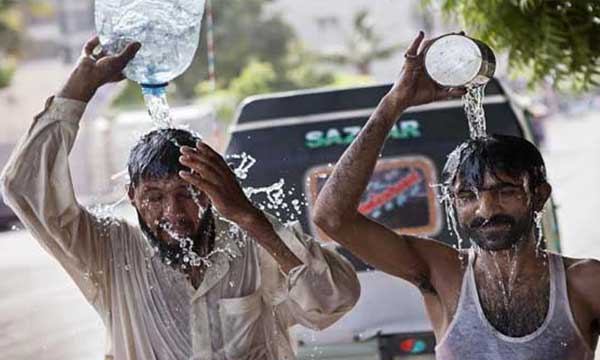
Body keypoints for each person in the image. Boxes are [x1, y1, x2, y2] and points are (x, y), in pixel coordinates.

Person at [0, 36, 360, 360]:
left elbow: (334, 300)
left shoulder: (251, 246)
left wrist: (248, 217)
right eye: (154, 197)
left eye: (187, 193)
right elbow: (25, 188)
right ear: (132, 196)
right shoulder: (110, 251)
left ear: (212, 190)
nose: (173, 212)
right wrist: (80, 86)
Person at [313, 31, 599, 359]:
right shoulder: (442, 273)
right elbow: (332, 218)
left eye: (505, 191)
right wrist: (395, 102)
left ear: (539, 196)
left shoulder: (585, 282)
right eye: (467, 196)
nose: (486, 209)